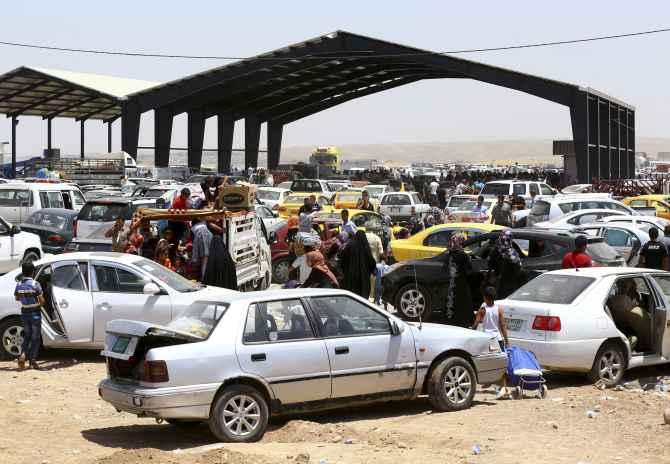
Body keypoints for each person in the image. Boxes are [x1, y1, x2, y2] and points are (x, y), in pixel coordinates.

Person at [471, 286, 510, 399]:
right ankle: (503, 386)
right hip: (498, 339)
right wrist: (507, 340)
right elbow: (503, 326)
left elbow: (476, 322)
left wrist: (470, 330)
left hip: (487, 340)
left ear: (485, 297)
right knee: (501, 363)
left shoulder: (483, 308)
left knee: (486, 361)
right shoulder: (499, 308)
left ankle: (493, 383)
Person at [14, 261, 44, 370]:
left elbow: (17, 298)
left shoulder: (18, 285)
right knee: (35, 338)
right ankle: (32, 362)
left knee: (27, 336)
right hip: (35, 313)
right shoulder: (35, 284)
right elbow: (42, 301)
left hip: (24, 313)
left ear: (23, 272)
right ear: (32, 272)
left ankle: (22, 355)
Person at [444, 233, 474, 327]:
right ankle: (464, 322)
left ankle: (451, 320)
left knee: (452, 301)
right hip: (461, 282)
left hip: (451, 283)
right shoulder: (463, 255)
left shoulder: (449, 254)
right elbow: (469, 268)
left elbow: (445, 267)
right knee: (464, 302)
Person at [340, 230, 377, 299]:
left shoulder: (349, 245)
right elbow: (371, 261)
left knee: (352, 297)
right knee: (362, 297)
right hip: (363, 277)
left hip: (350, 277)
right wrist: (372, 269)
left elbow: (343, 260)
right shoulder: (365, 247)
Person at [487, 230, 524, 299]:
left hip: (500, 284)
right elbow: (518, 268)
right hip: (511, 284)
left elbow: (490, 264)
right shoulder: (513, 253)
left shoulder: (495, 250)